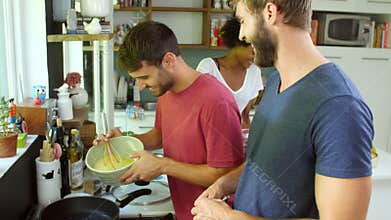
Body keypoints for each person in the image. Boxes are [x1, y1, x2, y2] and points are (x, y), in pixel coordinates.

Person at [192, 0, 374, 220]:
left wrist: (228, 217)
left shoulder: (340, 106)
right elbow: (265, 165)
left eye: (243, 21)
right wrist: (223, 185)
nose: (241, 35)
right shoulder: (276, 81)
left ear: (270, 12)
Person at [97, 21, 245, 220]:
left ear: (168, 60)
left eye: (144, 77)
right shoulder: (166, 92)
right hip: (184, 210)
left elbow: (225, 175)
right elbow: (160, 135)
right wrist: (124, 140)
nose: (140, 86)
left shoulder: (216, 101)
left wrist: (162, 165)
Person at [196, 17, 263, 129]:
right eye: (252, 52)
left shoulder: (254, 72)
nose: (254, 58)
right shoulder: (208, 67)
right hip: (208, 135)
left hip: (234, 138)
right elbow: (196, 110)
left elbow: (245, 116)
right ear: (238, 43)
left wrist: (247, 142)